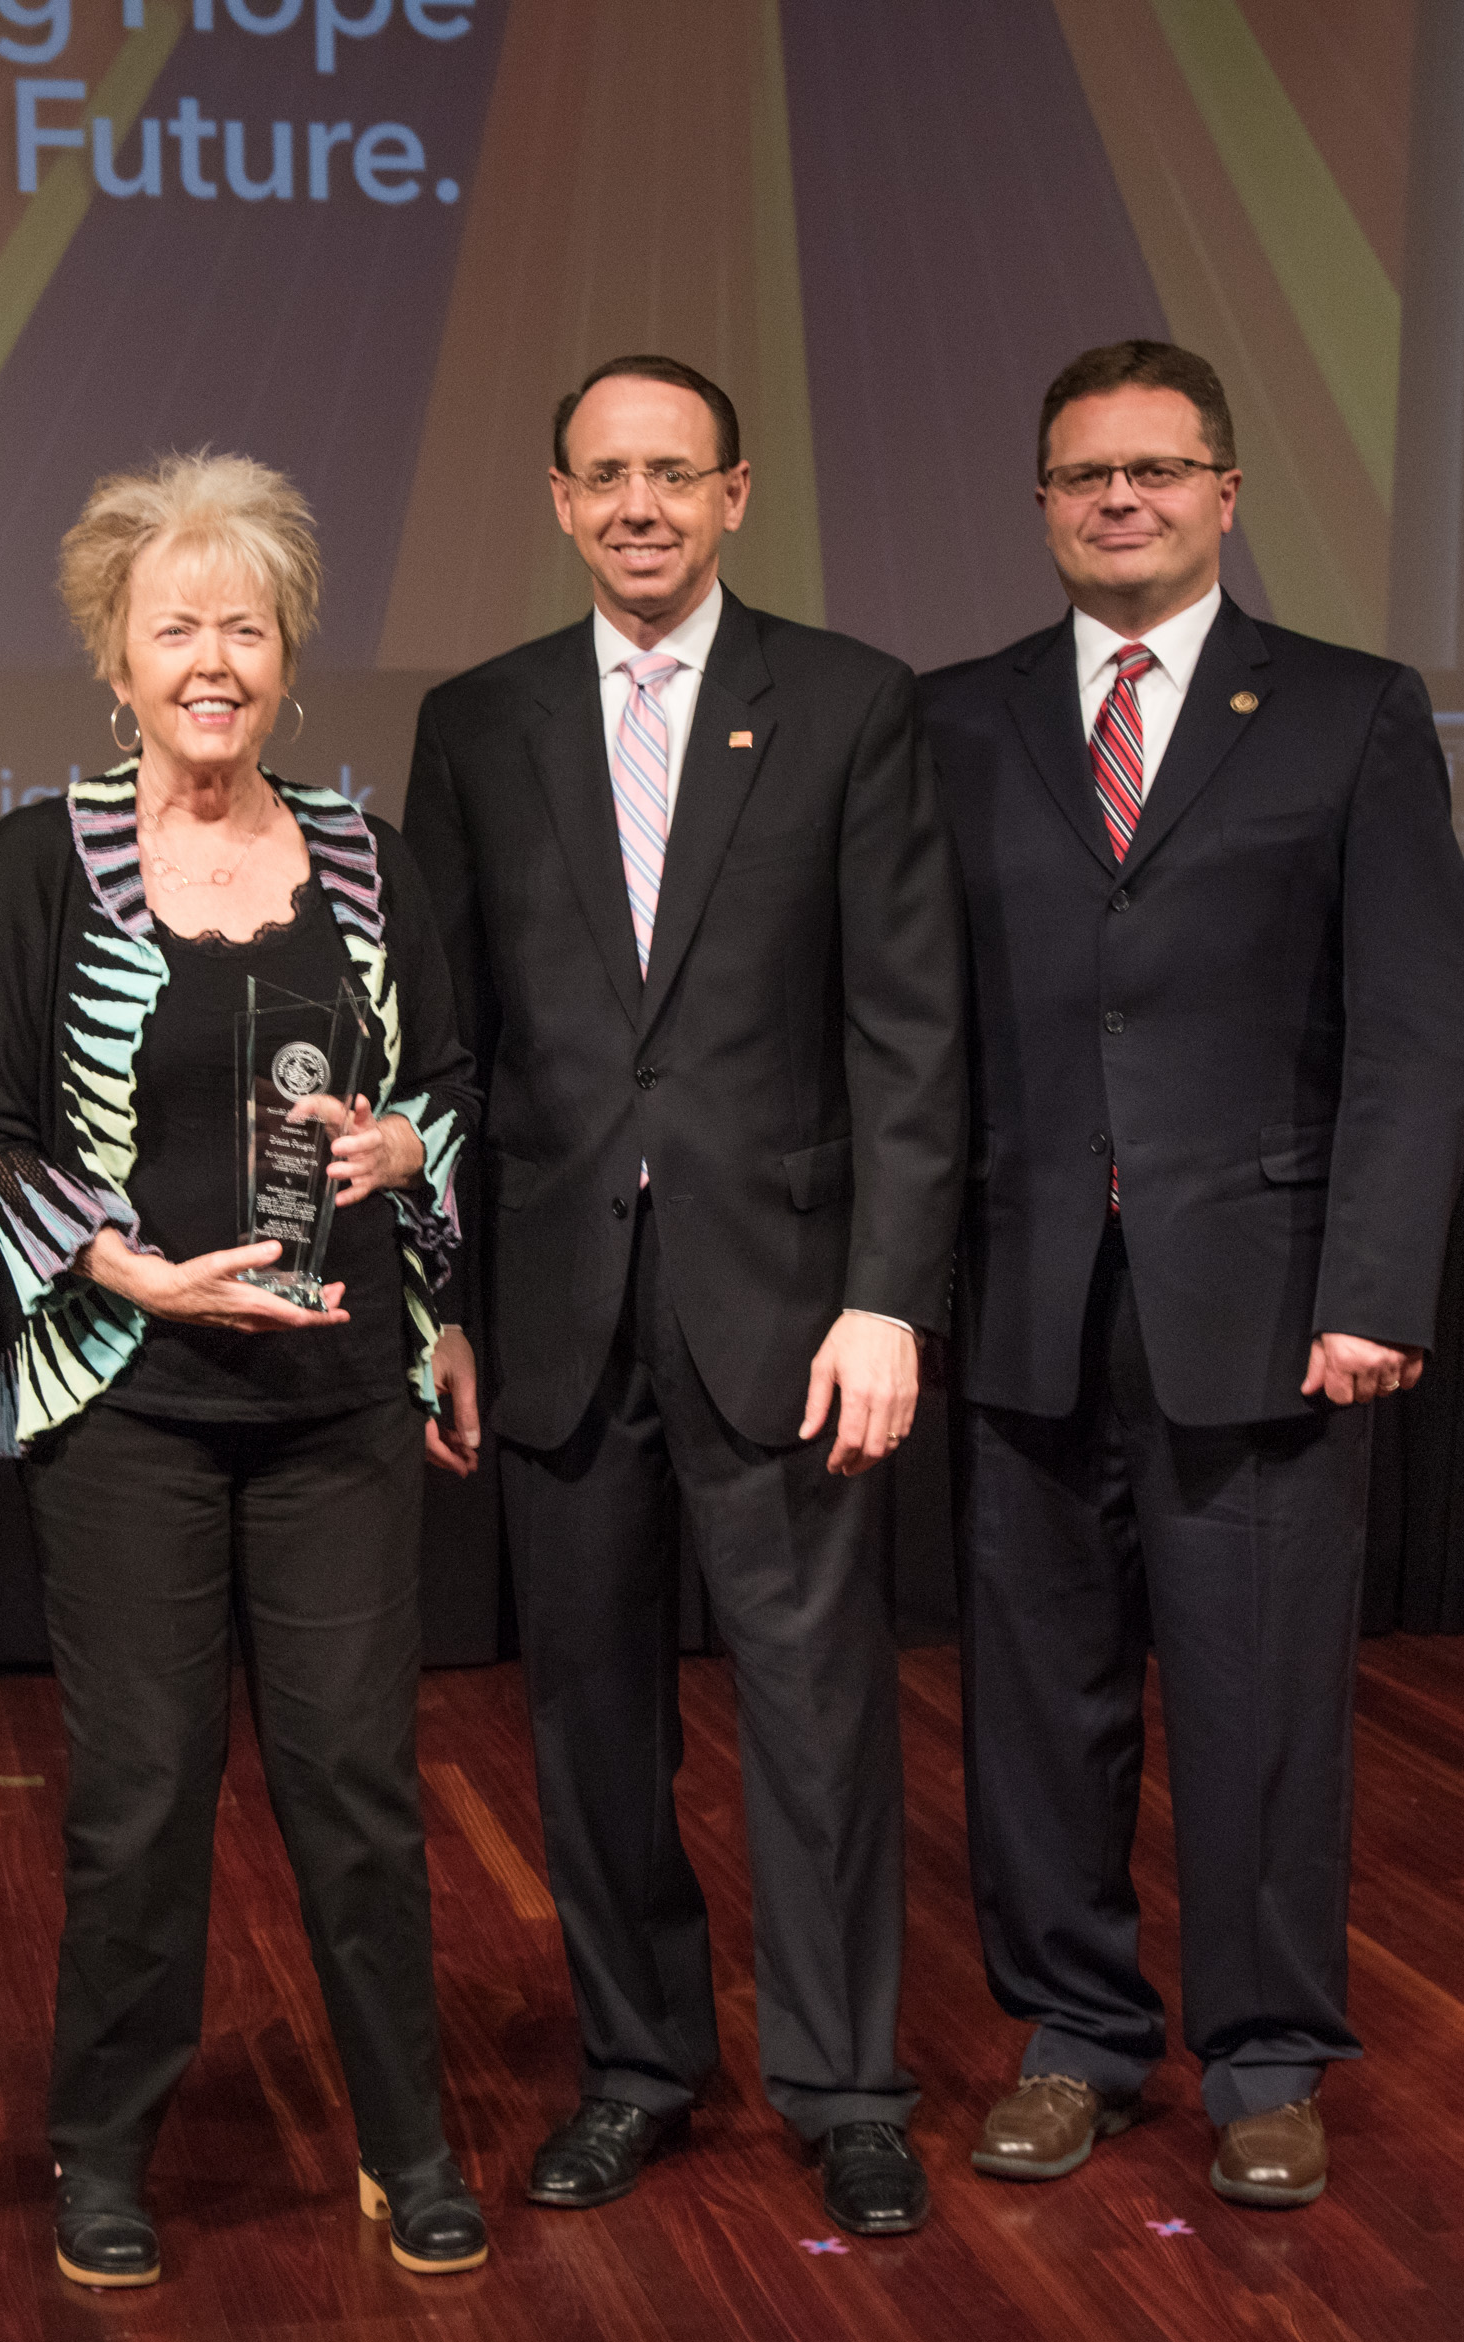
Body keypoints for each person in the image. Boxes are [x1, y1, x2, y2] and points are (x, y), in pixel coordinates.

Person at [404, 356, 968, 2238]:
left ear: (738, 494)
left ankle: (847, 2084)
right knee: (586, 1723)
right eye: (604, 477)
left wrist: (889, 1295)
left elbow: (908, 1033)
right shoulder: (477, 723)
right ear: (556, 501)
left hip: (792, 1307)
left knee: (817, 1715)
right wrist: (443, 1306)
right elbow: (449, 1052)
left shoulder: (852, 703)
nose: (639, 506)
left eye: (675, 475)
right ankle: (638, 2065)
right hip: (559, 1305)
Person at [918, 340, 1464, 2209]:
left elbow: (1413, 1026)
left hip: (1268, 1298)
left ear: (1228, 494)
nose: (1121, 502)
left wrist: (1379, 1282)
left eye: (1158, 470)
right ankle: (1074, 2036)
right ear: (1044, 505)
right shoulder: (952, 721)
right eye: (1086, 476)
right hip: (1019, 1296)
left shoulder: (1349, 712)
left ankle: (1263, 2060)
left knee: (1262, 1704)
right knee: (1037, 1706)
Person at [0, 451, 489, 2291]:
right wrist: (129, 1270)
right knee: (142, 1793)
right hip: (130, 1407)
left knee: (357, 1784)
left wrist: (418, 1170)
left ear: (288, 654)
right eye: (175, 626)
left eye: (243, 625)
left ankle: (407, 2142)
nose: (212, 658)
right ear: (114, 656)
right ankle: (105, 2149)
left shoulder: (369, 858)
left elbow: (455, 1092)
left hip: (338, 1410)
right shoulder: (41, 860)